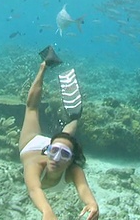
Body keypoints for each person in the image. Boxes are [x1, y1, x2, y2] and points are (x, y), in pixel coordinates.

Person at [18, 52, 99, 220]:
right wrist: (47, 211)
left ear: (71, 159)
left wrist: (92, 203)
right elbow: (34, 190)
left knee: (66, 137)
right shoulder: (34, 166)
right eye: (53, 152)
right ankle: (44, 66)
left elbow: (83, 188)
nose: (56, 158)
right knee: (31, 108)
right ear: (47, 150)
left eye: (64, 155)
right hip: (31, 144)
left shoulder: (73, 170)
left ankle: (74, 119)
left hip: (55, 143)